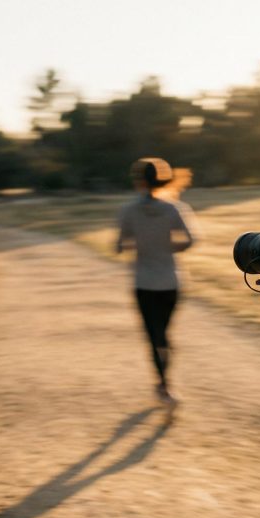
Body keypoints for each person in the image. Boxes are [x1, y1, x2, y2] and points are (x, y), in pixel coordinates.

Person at [117, 157, 195, 406]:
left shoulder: (128, 210)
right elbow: (190, 240)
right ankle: (164, 384)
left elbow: (119, 245)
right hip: (171, 282)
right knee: (164, 334)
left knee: (154, 336)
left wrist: (140, 244)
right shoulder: (174, 208)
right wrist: (168, 246)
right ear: (162, 178)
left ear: (138, 181)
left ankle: (163, 386)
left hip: (144, 282)